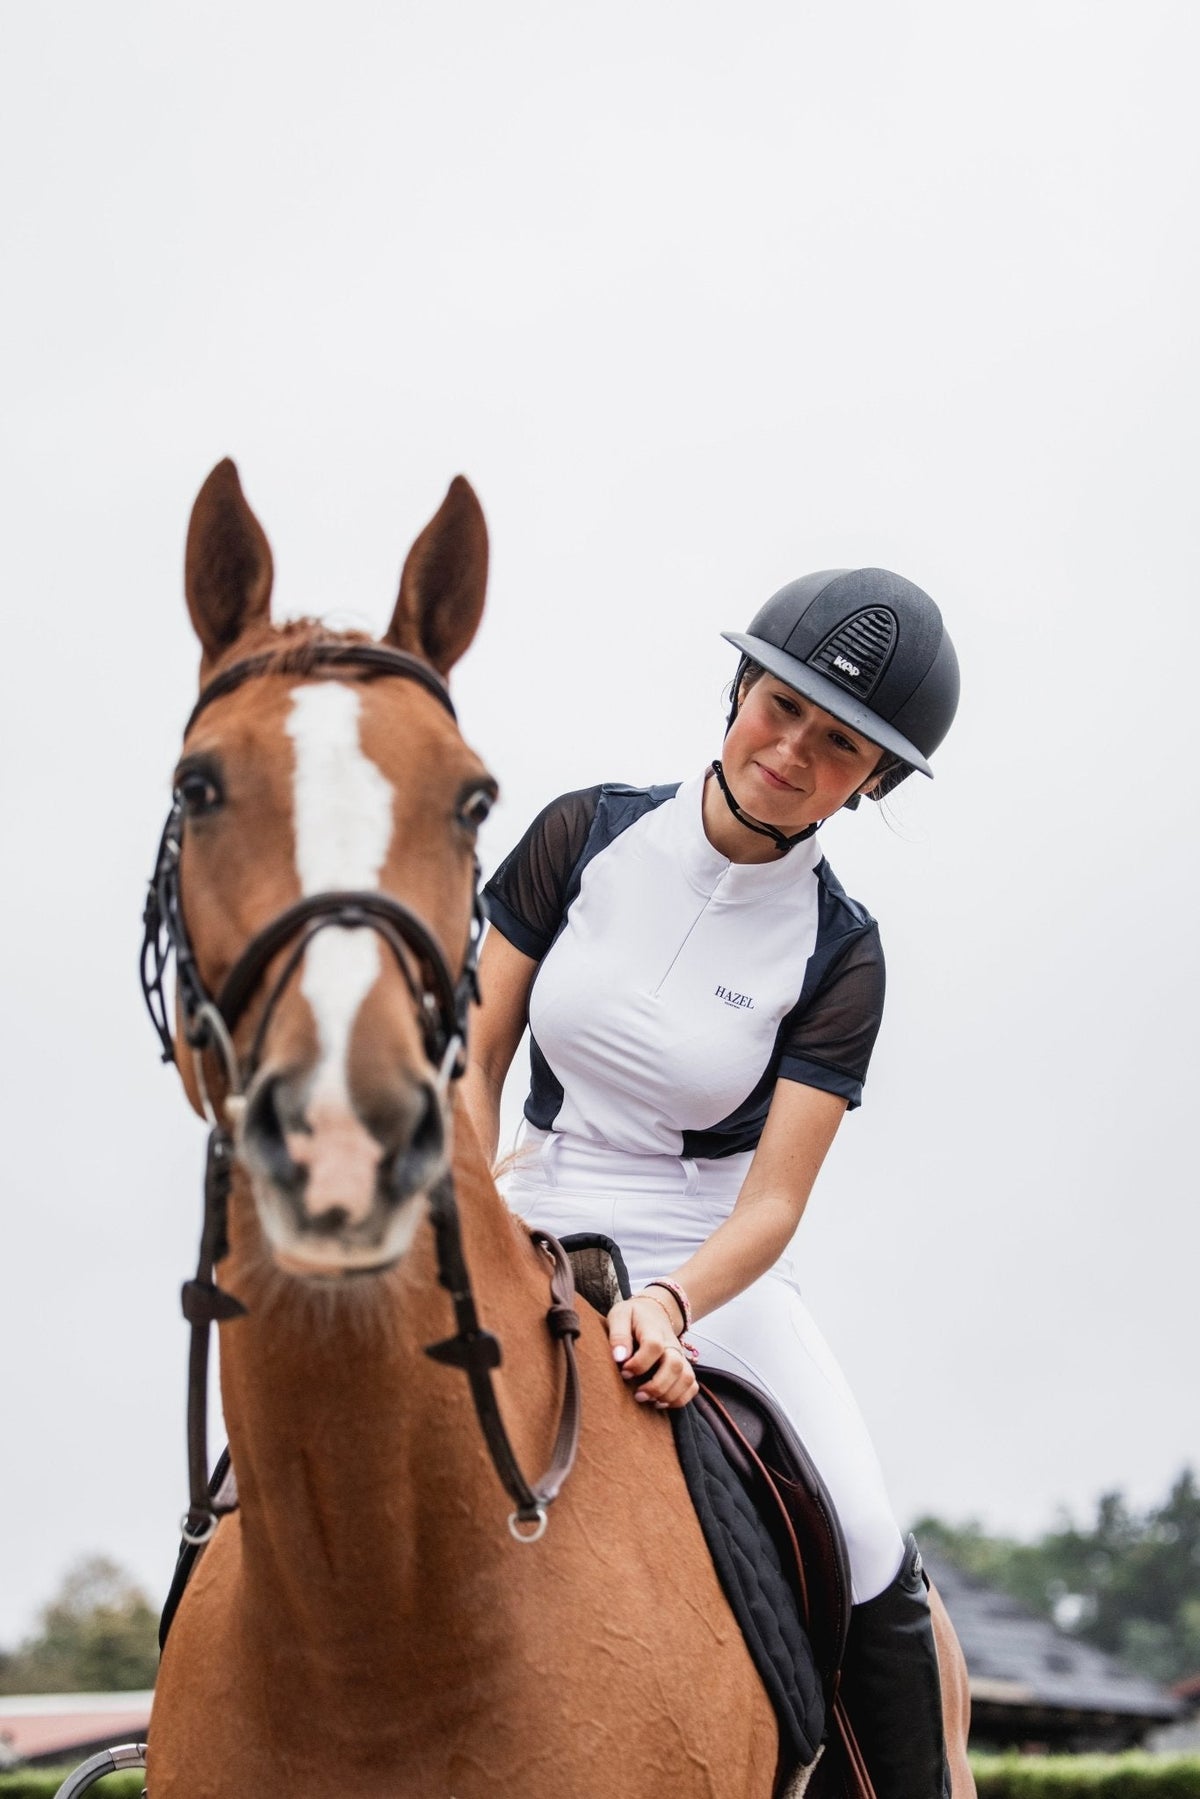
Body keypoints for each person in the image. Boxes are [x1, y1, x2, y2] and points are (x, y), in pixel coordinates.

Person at [462, 567, 960, 1798]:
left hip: (708, 1256)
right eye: (778, 706)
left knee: (858, 1530)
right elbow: (470, 1057)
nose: (791, 749)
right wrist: (471, 1221)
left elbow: (776, 1202)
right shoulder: (583, 831)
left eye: (837, 743)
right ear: (739, 688)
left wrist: (675, 1305)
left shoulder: (841, 952)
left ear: (871, 781)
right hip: (517, 1199)